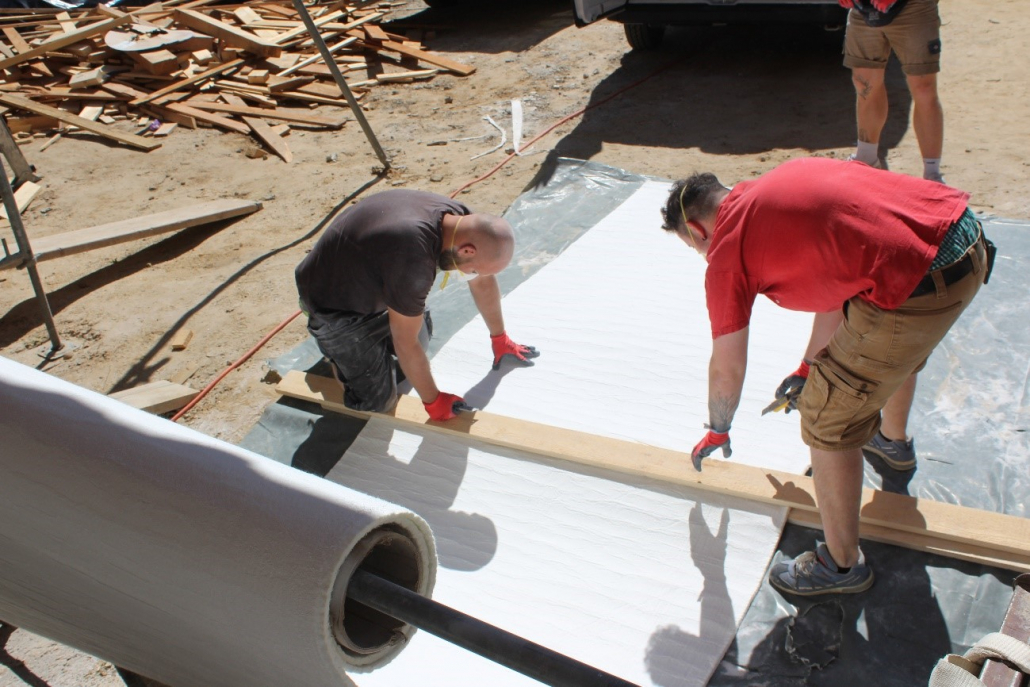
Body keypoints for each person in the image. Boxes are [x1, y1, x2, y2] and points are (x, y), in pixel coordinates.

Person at [661, 157, 993, 595]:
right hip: (963, 245)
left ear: (699, 229)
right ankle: (890, 444)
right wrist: (808, 366)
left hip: (919, 286)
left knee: (824, 417)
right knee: (887, 354)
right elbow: (837, 288)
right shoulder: (779, 189)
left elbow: (728, 366)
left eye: (692, 247)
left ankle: (840, 566)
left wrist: (719, 428)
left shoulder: (727, 250)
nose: (701, 254)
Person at [295, 189, 538, 421]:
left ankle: (365, 347)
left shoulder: (460, 221)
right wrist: (433, 401)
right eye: (472, 269)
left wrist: (499, 338)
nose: (470, 274)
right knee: (377, 403)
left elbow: (482, 283)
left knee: (417, 347)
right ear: (467, 250)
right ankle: (336, 355)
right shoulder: (413, 258)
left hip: (367, 283)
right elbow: (405, 341)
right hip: (332, 305)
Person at [839, 0, 947, 183]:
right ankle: (866, 159)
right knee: (865, 84)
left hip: (913, 8)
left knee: (923, 87)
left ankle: (933, 175)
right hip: (862, 8)